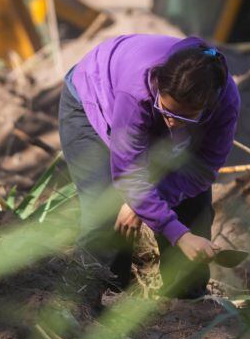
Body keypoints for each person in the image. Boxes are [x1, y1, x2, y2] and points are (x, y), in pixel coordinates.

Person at [58, 34, 240, 299]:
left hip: (160, 109)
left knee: (193, 207)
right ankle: (100, 298)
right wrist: (175, 232)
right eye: (167, 112)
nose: (172, 123)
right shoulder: (136, 89)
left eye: (183, 117)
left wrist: (156, 212)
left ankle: (187, 305)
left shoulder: (225, 104)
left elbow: (203, 167)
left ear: (208, 106)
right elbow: (129, 174)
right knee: (107, 212)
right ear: (158, 83)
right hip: (94, 101)